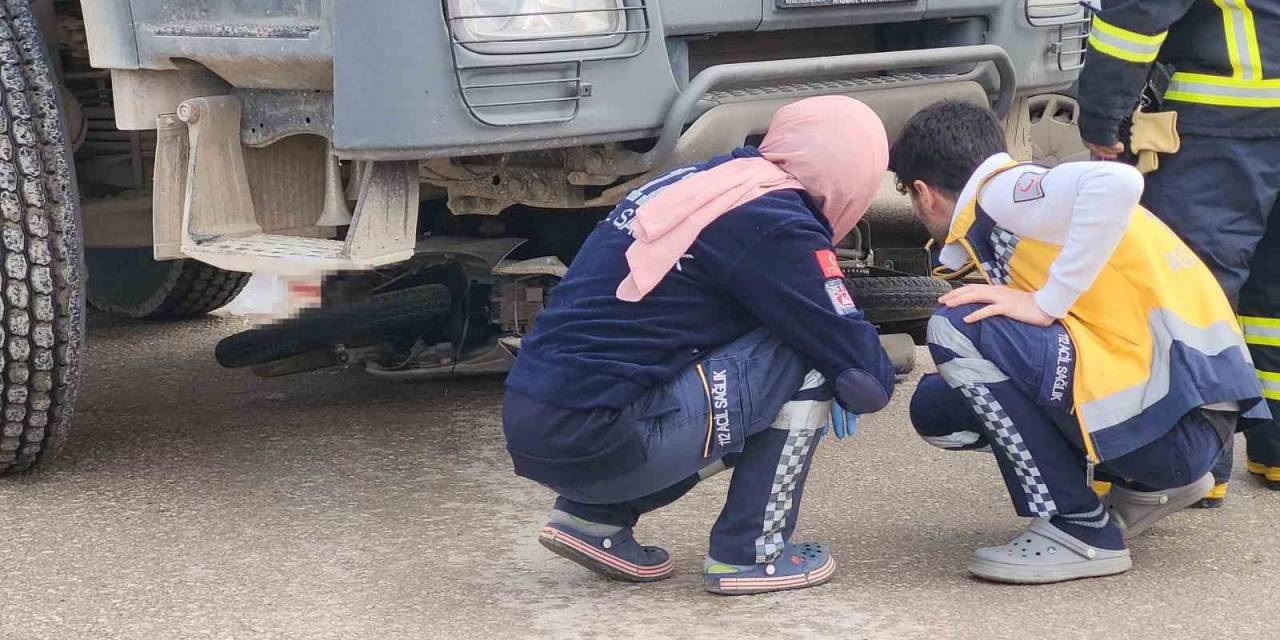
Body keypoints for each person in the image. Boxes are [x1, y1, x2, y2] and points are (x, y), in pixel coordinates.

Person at [502, 96, 895, 595]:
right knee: (810, 358)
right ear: (850, 176)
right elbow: (865, 381)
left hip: (539, 425)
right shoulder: (778, 222)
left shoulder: (705, 183)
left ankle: (595, 518)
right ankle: (753, 553)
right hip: (604, 436)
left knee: (749, 336)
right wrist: (846, 365)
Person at [892, 101, 1268, 584]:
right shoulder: (1023, 207)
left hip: (1172, 428)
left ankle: (1078, 528)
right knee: (937, 405)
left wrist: (1047, 303)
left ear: (922, 192)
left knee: (955, 324)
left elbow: (1119, 182)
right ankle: (1144, 488)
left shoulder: (1003, 192)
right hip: (1191, 420)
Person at [1076, 0, 1280, 506]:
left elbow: (1140, 11)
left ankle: (1191, 463)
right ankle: (1273, 445)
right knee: (1272, 292)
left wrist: (1102, 111)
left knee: (1193, 285)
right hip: (1251, 107)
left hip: (1227, 117)